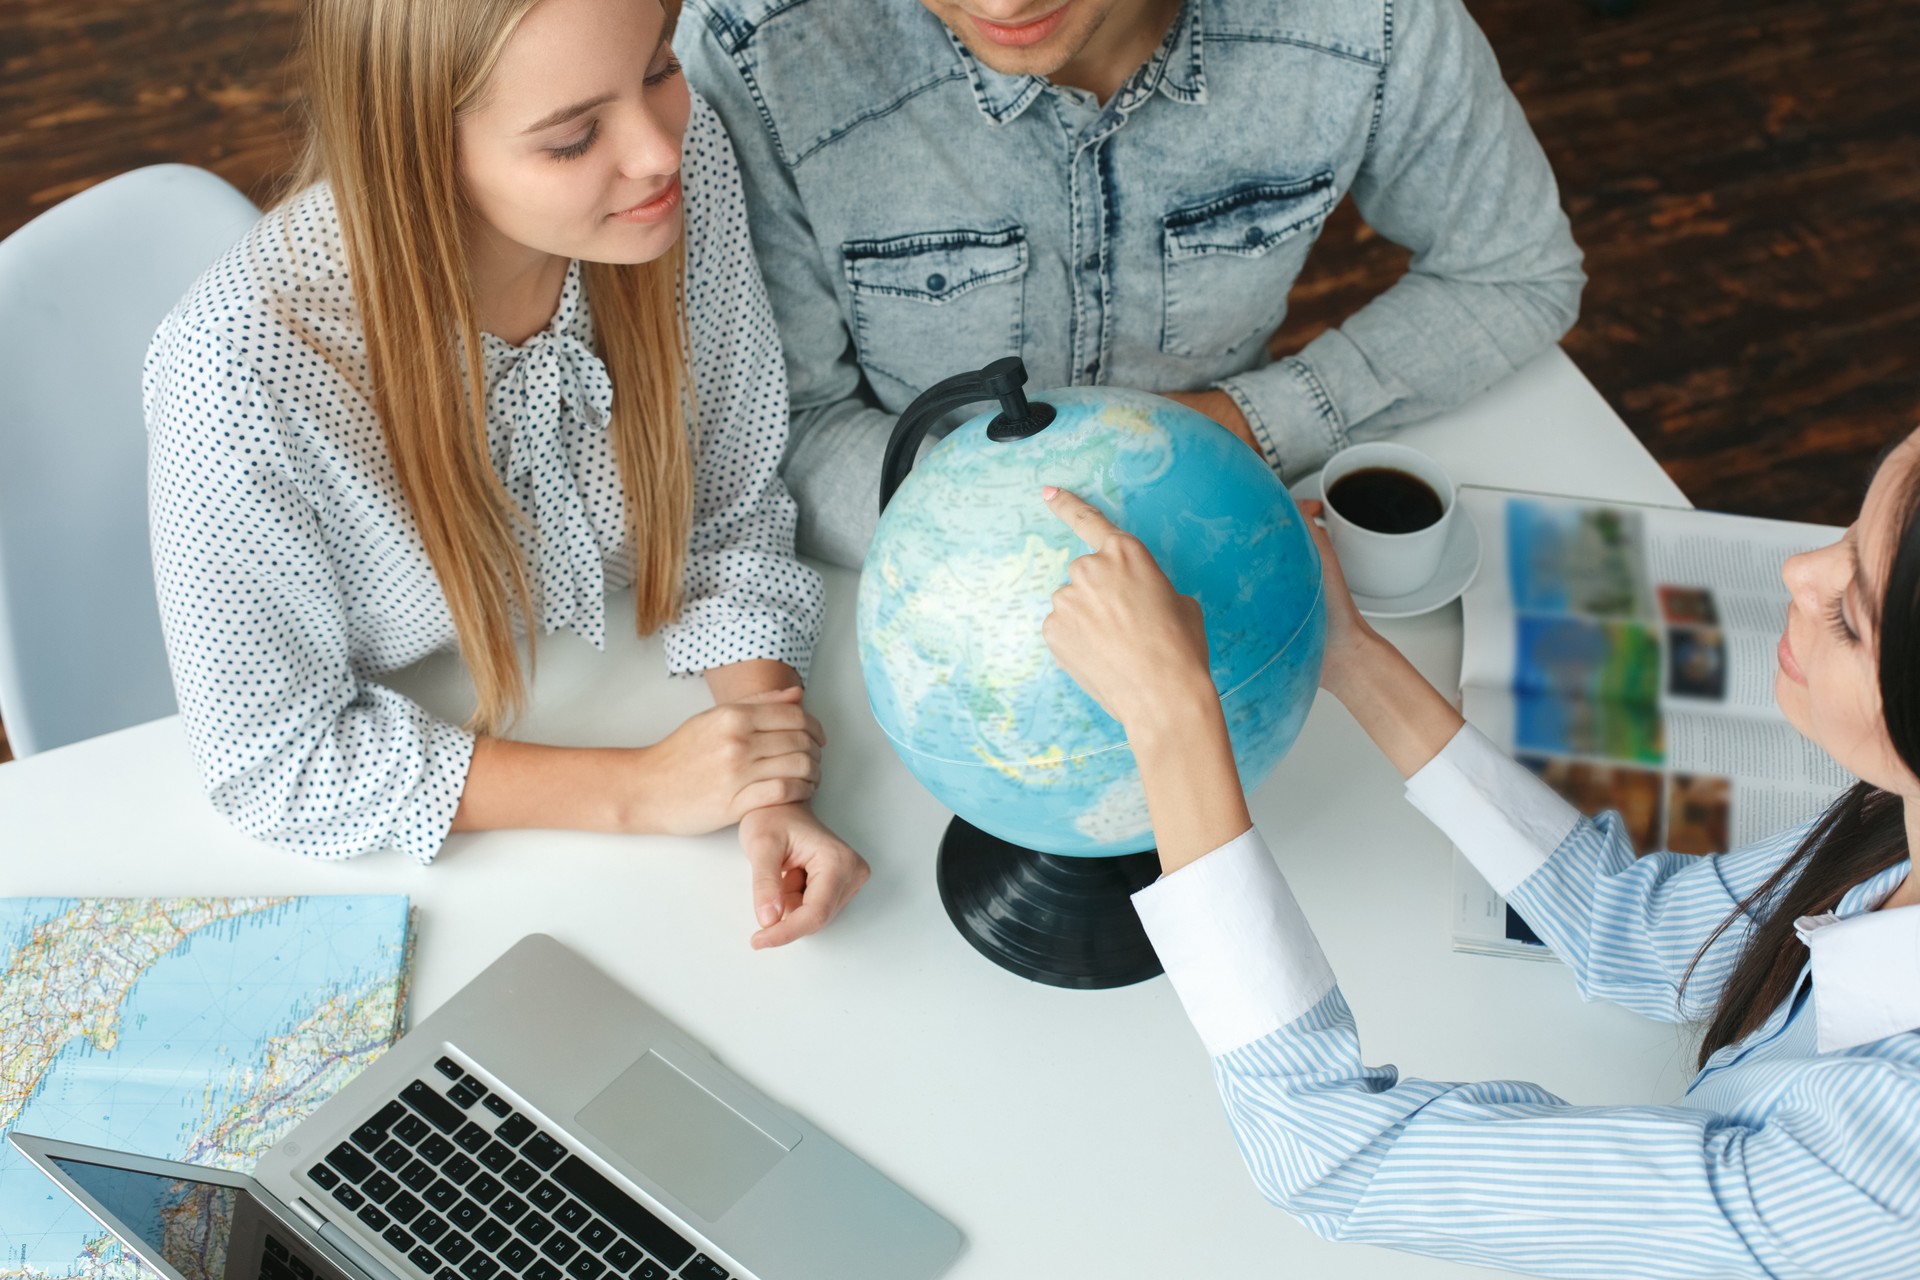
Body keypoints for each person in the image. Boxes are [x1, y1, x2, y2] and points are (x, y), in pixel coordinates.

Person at [1035, 430, 1920, 1274]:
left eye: (1850, 612)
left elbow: (1325, 1146)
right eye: (1843, 533)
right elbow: (1639, 931)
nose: (1798, 571)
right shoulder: (1897, 826)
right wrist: (1349, 655)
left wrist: (1170, 718)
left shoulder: (1882, 1189)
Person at [145, 0, 868, 948]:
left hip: (613, 690)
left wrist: (763, 775)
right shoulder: (236, 367)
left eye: (657, 68)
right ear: (419, 157)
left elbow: (728, 514)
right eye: (572, 139)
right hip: (424, 867)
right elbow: (274, 763)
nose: (658, 150)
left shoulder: (676, 180)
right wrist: (638, 789)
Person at [676, 0, 1586, 566]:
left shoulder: (1372, 17)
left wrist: (1246, 423)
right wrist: (998, 554)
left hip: (1242, 535)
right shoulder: (755, 47)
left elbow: (1514, 271)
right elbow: (775, 425)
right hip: (918, 585)